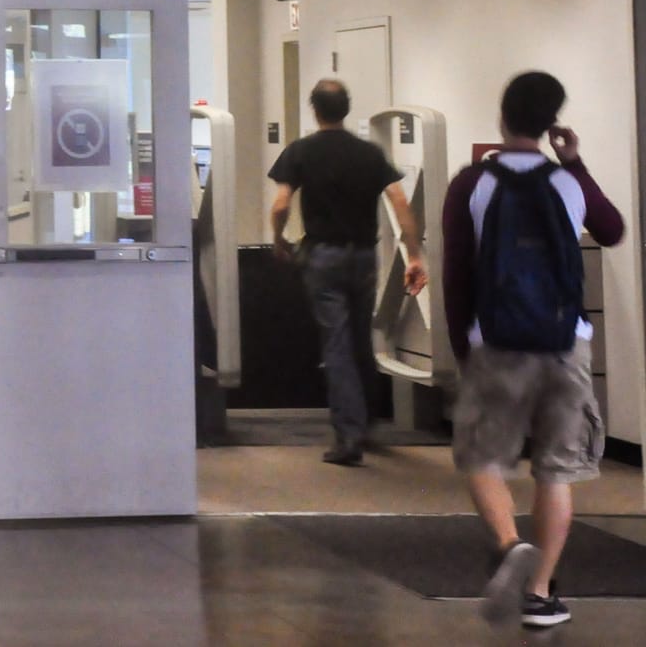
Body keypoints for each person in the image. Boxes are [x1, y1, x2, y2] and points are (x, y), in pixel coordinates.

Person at [444, 72, 625, 629]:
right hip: (564, 340)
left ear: (502, 119)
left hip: (495, 341)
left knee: (480, 455)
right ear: (551, 124)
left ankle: (507, 543)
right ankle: (541, 593)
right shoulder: (567, 183)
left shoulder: (472, 182)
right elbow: (612, 229)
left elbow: (456, 273)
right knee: (557, 469)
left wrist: (463, 348)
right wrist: (573, 161)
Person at [267, 79, 426, 466]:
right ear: (346, 108)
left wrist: (279, 238)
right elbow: (399, 200)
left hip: (324, 257)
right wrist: (414, 253)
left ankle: (349, 436)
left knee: (336, 346)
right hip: (363, 257)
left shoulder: (301, 152)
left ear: (314, 108)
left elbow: (281, 203)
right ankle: (365, 423)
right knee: (359, 341)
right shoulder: (369, 153)